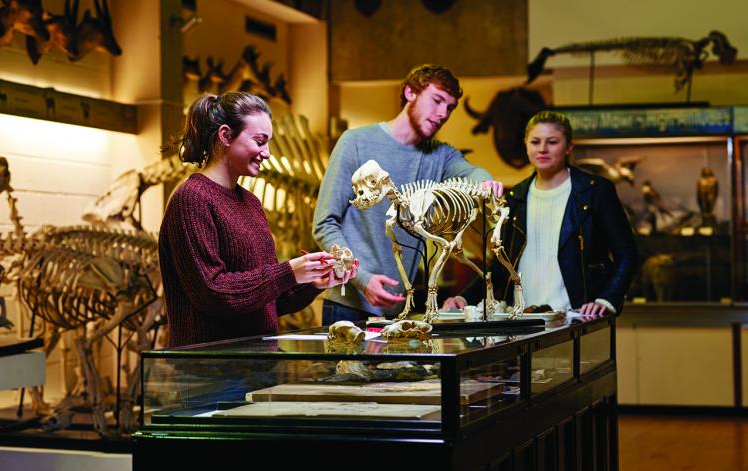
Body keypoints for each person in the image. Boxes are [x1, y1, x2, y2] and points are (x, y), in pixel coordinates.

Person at [159, 92, 357, 347]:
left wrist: (314, 282)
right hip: (210, 371)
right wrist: (288, 272)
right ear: (226, 136)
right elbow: (213, 293)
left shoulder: (251, 203)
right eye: (260, 141)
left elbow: (267, 299)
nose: (267, 153)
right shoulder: (191, 199)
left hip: (256, 364)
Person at [313, 64, 503, 324]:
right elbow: (324, 224)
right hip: (348, 306)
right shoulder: (354, 142)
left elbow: (473, 173)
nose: (442, 114)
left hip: (398, 312)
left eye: (449, 107)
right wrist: (362, 279)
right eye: (436, 101)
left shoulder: (441, 155)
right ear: (410, 92)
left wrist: (488, 183)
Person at [444, 111, 637, 320]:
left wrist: (607, 299)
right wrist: (464, 298)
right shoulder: (514, 198)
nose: (542, 149)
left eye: (552, 142)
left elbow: (627, 253)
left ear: (568, 147)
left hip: (578, 318)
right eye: (535, 142)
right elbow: (501, 264)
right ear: (526, 145)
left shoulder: (595, 191)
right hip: (523, 321)